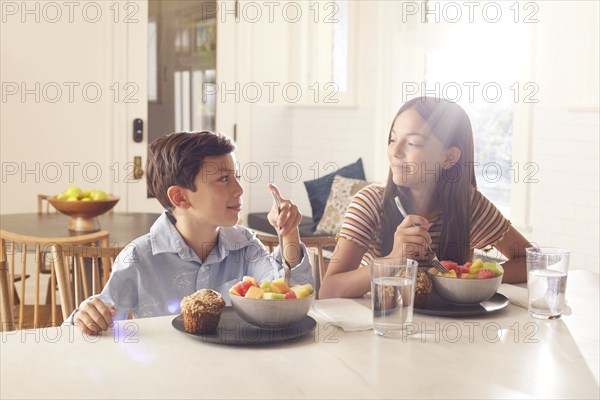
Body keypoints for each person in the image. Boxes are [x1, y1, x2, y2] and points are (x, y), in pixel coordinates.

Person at [69, 131, 314, 334]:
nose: (239, 189)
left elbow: (292, 297)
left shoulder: (245, 245)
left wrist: (289, 232)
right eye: (223, 179)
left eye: (236, 177)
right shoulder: (138, 257)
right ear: (180, 197)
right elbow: (97, 320)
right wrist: (86, 316)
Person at [319, 97, 530, 299]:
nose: (395, 151)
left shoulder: (469, 204)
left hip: (453, 329)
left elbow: (530, 261)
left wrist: (471, 277)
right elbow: (329, 290)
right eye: (393, 139)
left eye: (412, 143)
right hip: (384, 327)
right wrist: (394, 260)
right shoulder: (370, 203)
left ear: (448, 157)